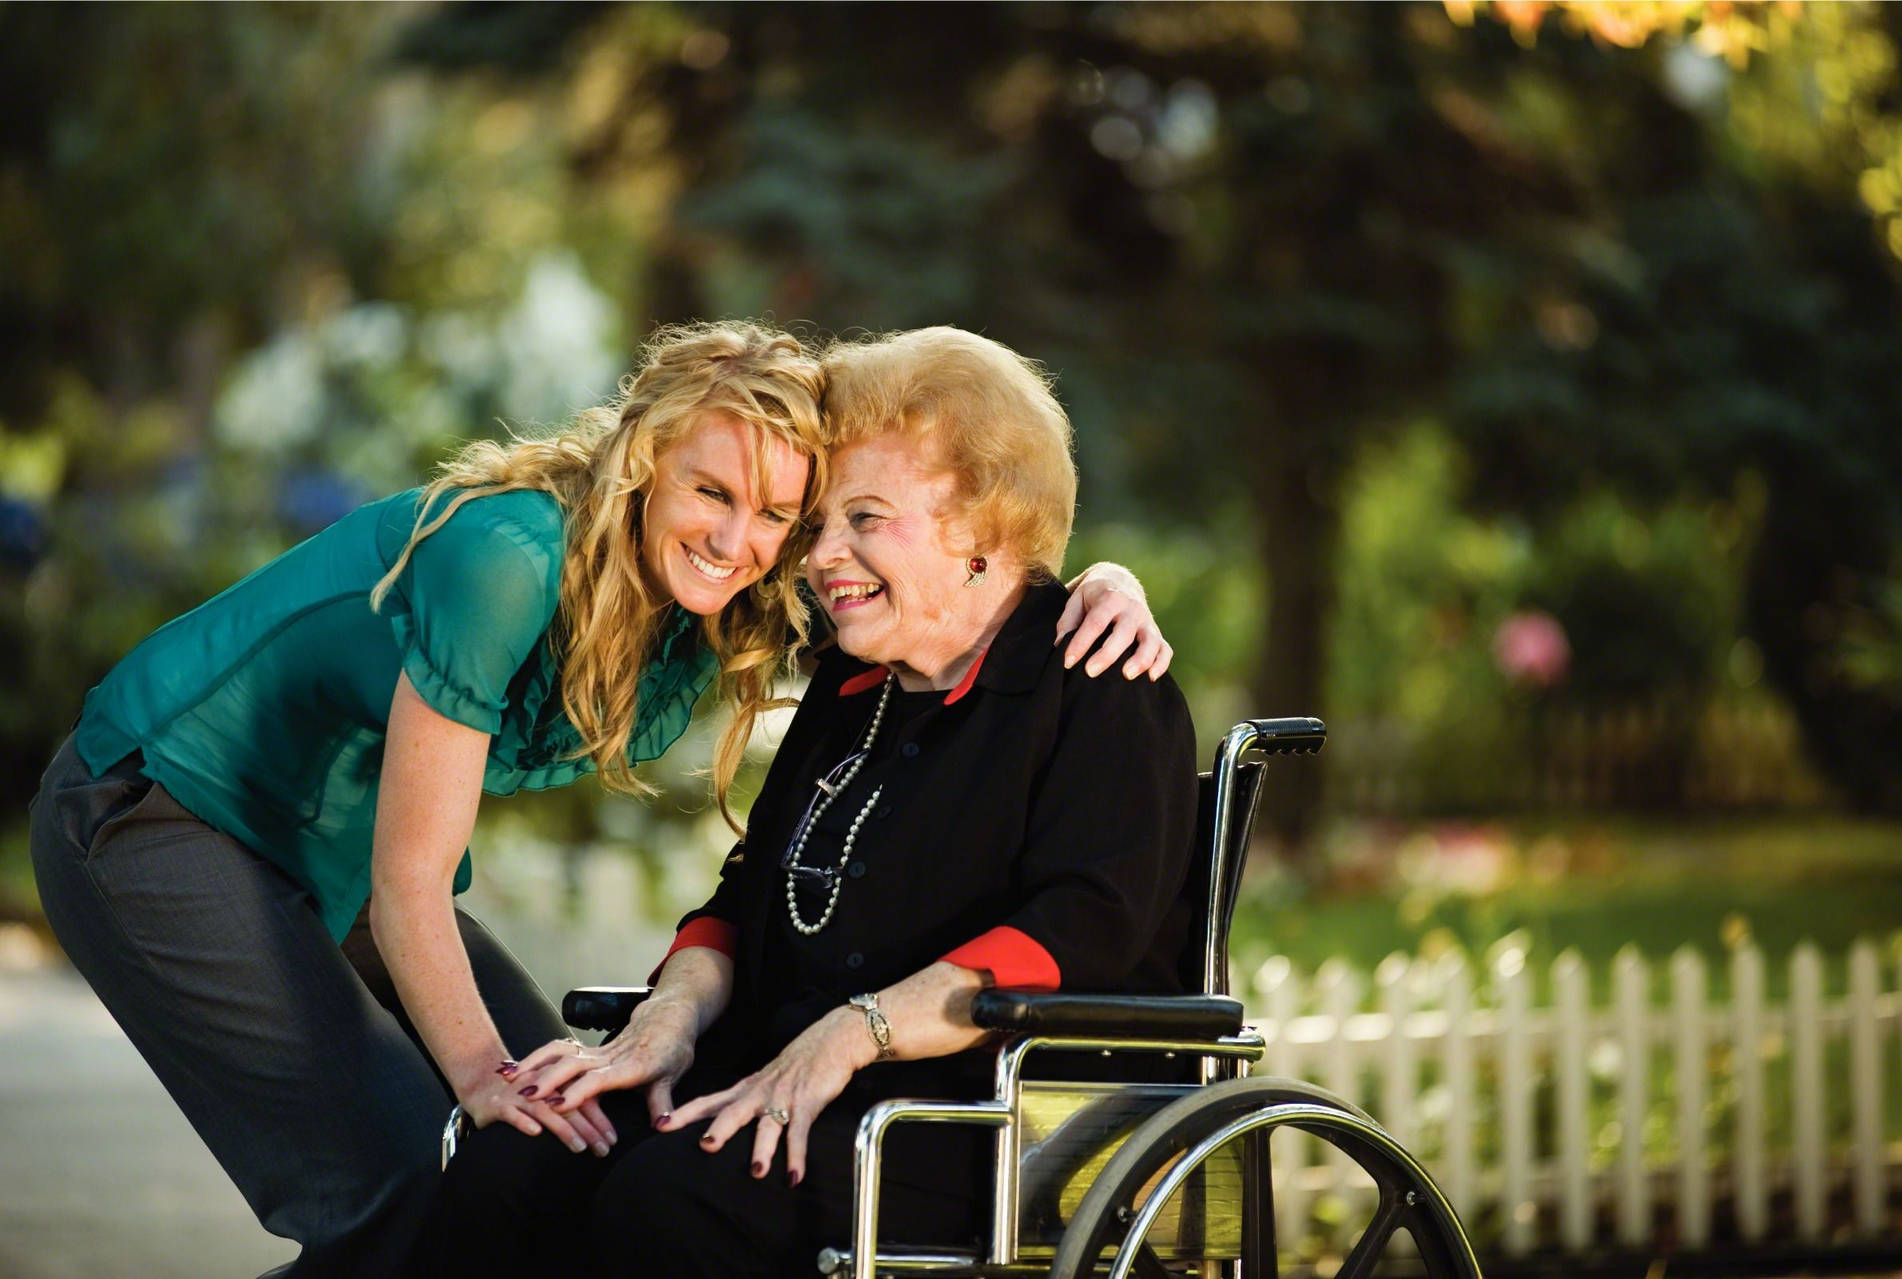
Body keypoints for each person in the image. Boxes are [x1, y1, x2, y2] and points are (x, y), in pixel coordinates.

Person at [26, 320, 1166, 1278]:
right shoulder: (524, 560)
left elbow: (987, 631)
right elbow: (461, 881)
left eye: (810, 516)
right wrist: (552, 1062)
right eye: (803, 520)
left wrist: (1101, 579)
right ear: (643, 462)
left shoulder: (833, 618)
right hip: (165, 805)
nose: (778, 547)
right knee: (452, 1163)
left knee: (558, 1142)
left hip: (944, 1104)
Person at [427, 326, 1199, 1276]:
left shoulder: (1092, 677)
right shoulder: (853, 687)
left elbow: (1078, 930)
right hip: (781, 1074)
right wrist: (662, 1022)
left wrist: (854, 1032)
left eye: (867, 519)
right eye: (819, 524)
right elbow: (739, 902)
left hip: (976, 1119)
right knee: (523, 1154)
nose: (822, 556)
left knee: (668, 1202)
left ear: (985, 529)